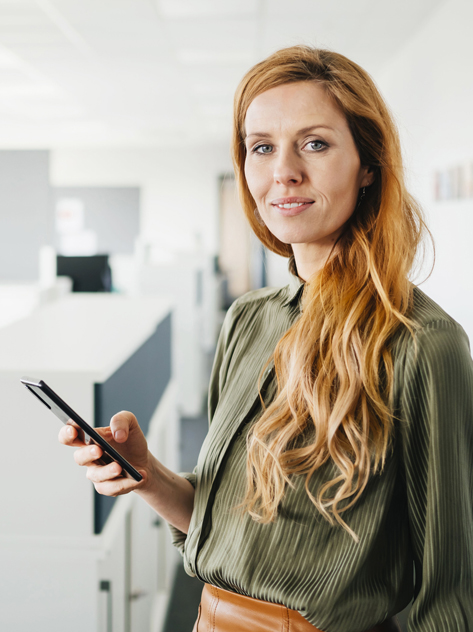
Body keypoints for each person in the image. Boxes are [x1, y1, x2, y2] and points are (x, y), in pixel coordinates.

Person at [59, 46, 473, 632]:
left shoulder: (423, 344)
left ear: (369, 164)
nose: (283, 171)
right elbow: (226, 516)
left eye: (315, 143)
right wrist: (146, 473)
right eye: (262, 147)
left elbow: (451, 595)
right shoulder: (248, 319)